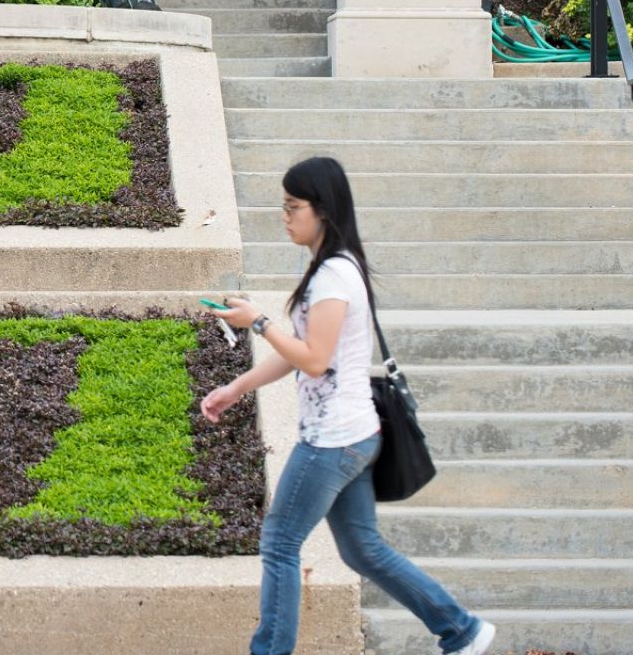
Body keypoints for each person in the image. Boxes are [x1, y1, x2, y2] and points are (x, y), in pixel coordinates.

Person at [202, 157, 497, 655]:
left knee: (279, 543)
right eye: (284, 206)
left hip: (333, 439)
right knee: (363, 549)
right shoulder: (330, 269)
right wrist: (237, 388)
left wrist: (258, 321)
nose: (285, 216)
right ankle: (461, 629)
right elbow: (300, 351)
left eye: (293, 207)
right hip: (352, 433)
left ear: (323, 210)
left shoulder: (334, 276)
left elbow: (314, 360)